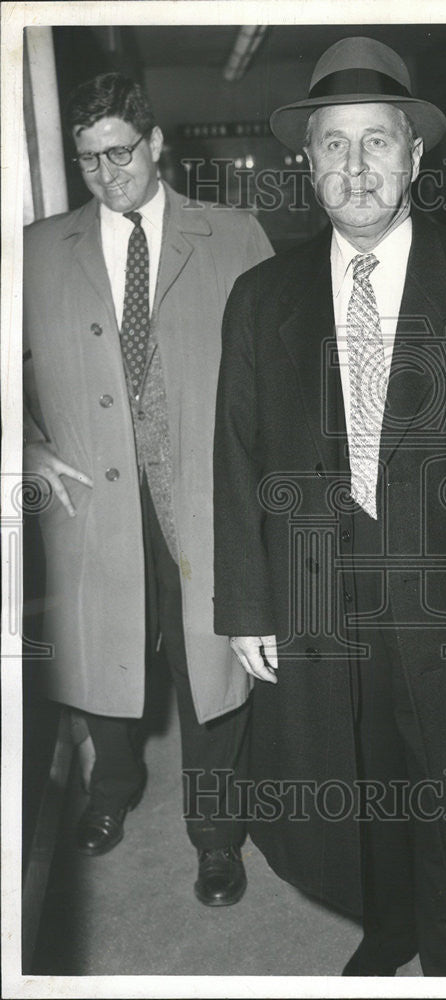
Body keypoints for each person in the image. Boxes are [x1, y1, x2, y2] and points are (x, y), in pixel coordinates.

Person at [213, 37, 446, 976]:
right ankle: (395, 925)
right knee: (359, 790)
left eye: (377, 142)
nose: (355, 168)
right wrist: (247, 606)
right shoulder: (261, 298)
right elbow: (235, 458)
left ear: (416, 157)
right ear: (307, 163)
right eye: (334, 146)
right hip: (324, 612)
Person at [23, 72, 273, 905]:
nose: (105, 175)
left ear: (157, 143)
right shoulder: (32, 250)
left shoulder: (234, 234)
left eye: (121, 153)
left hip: (203, 502)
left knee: (214, 671)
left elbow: (280, 373)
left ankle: (215, 835)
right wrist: (17, 444)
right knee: (104, 662)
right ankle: (110, 790)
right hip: (92, 504)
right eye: (87, 160)